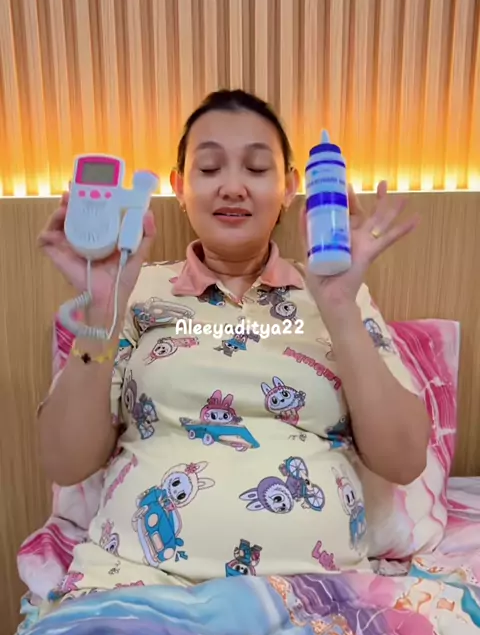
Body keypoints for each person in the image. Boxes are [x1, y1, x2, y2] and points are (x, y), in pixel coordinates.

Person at [37, 89, 430, 602]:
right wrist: (101, 312)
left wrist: (340, 311)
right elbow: (65, 462)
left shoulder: (340, 295)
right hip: (137, 591)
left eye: (257, 168)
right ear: (179, 187)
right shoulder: (135, 291)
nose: (232, 187)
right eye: (208, 168)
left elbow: (403, 460)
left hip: (319, 600)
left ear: (290, 187)